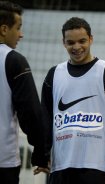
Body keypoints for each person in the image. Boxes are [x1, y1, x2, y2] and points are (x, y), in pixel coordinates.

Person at [40, 17, 105, 184]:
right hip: (61, 165)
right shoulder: (54, 74)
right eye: (70, 42)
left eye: (82, 41)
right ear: (63, 43)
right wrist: (42, 154)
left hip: (96, 165)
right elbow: (45, 118)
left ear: (91, 39)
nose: (76, 47)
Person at [0, 1, 49, 184]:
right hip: (3, 161)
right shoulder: (13, 60)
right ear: (4, 29)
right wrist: (41, 153)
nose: (21, 34)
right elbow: (30, 112)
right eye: (18, 28)